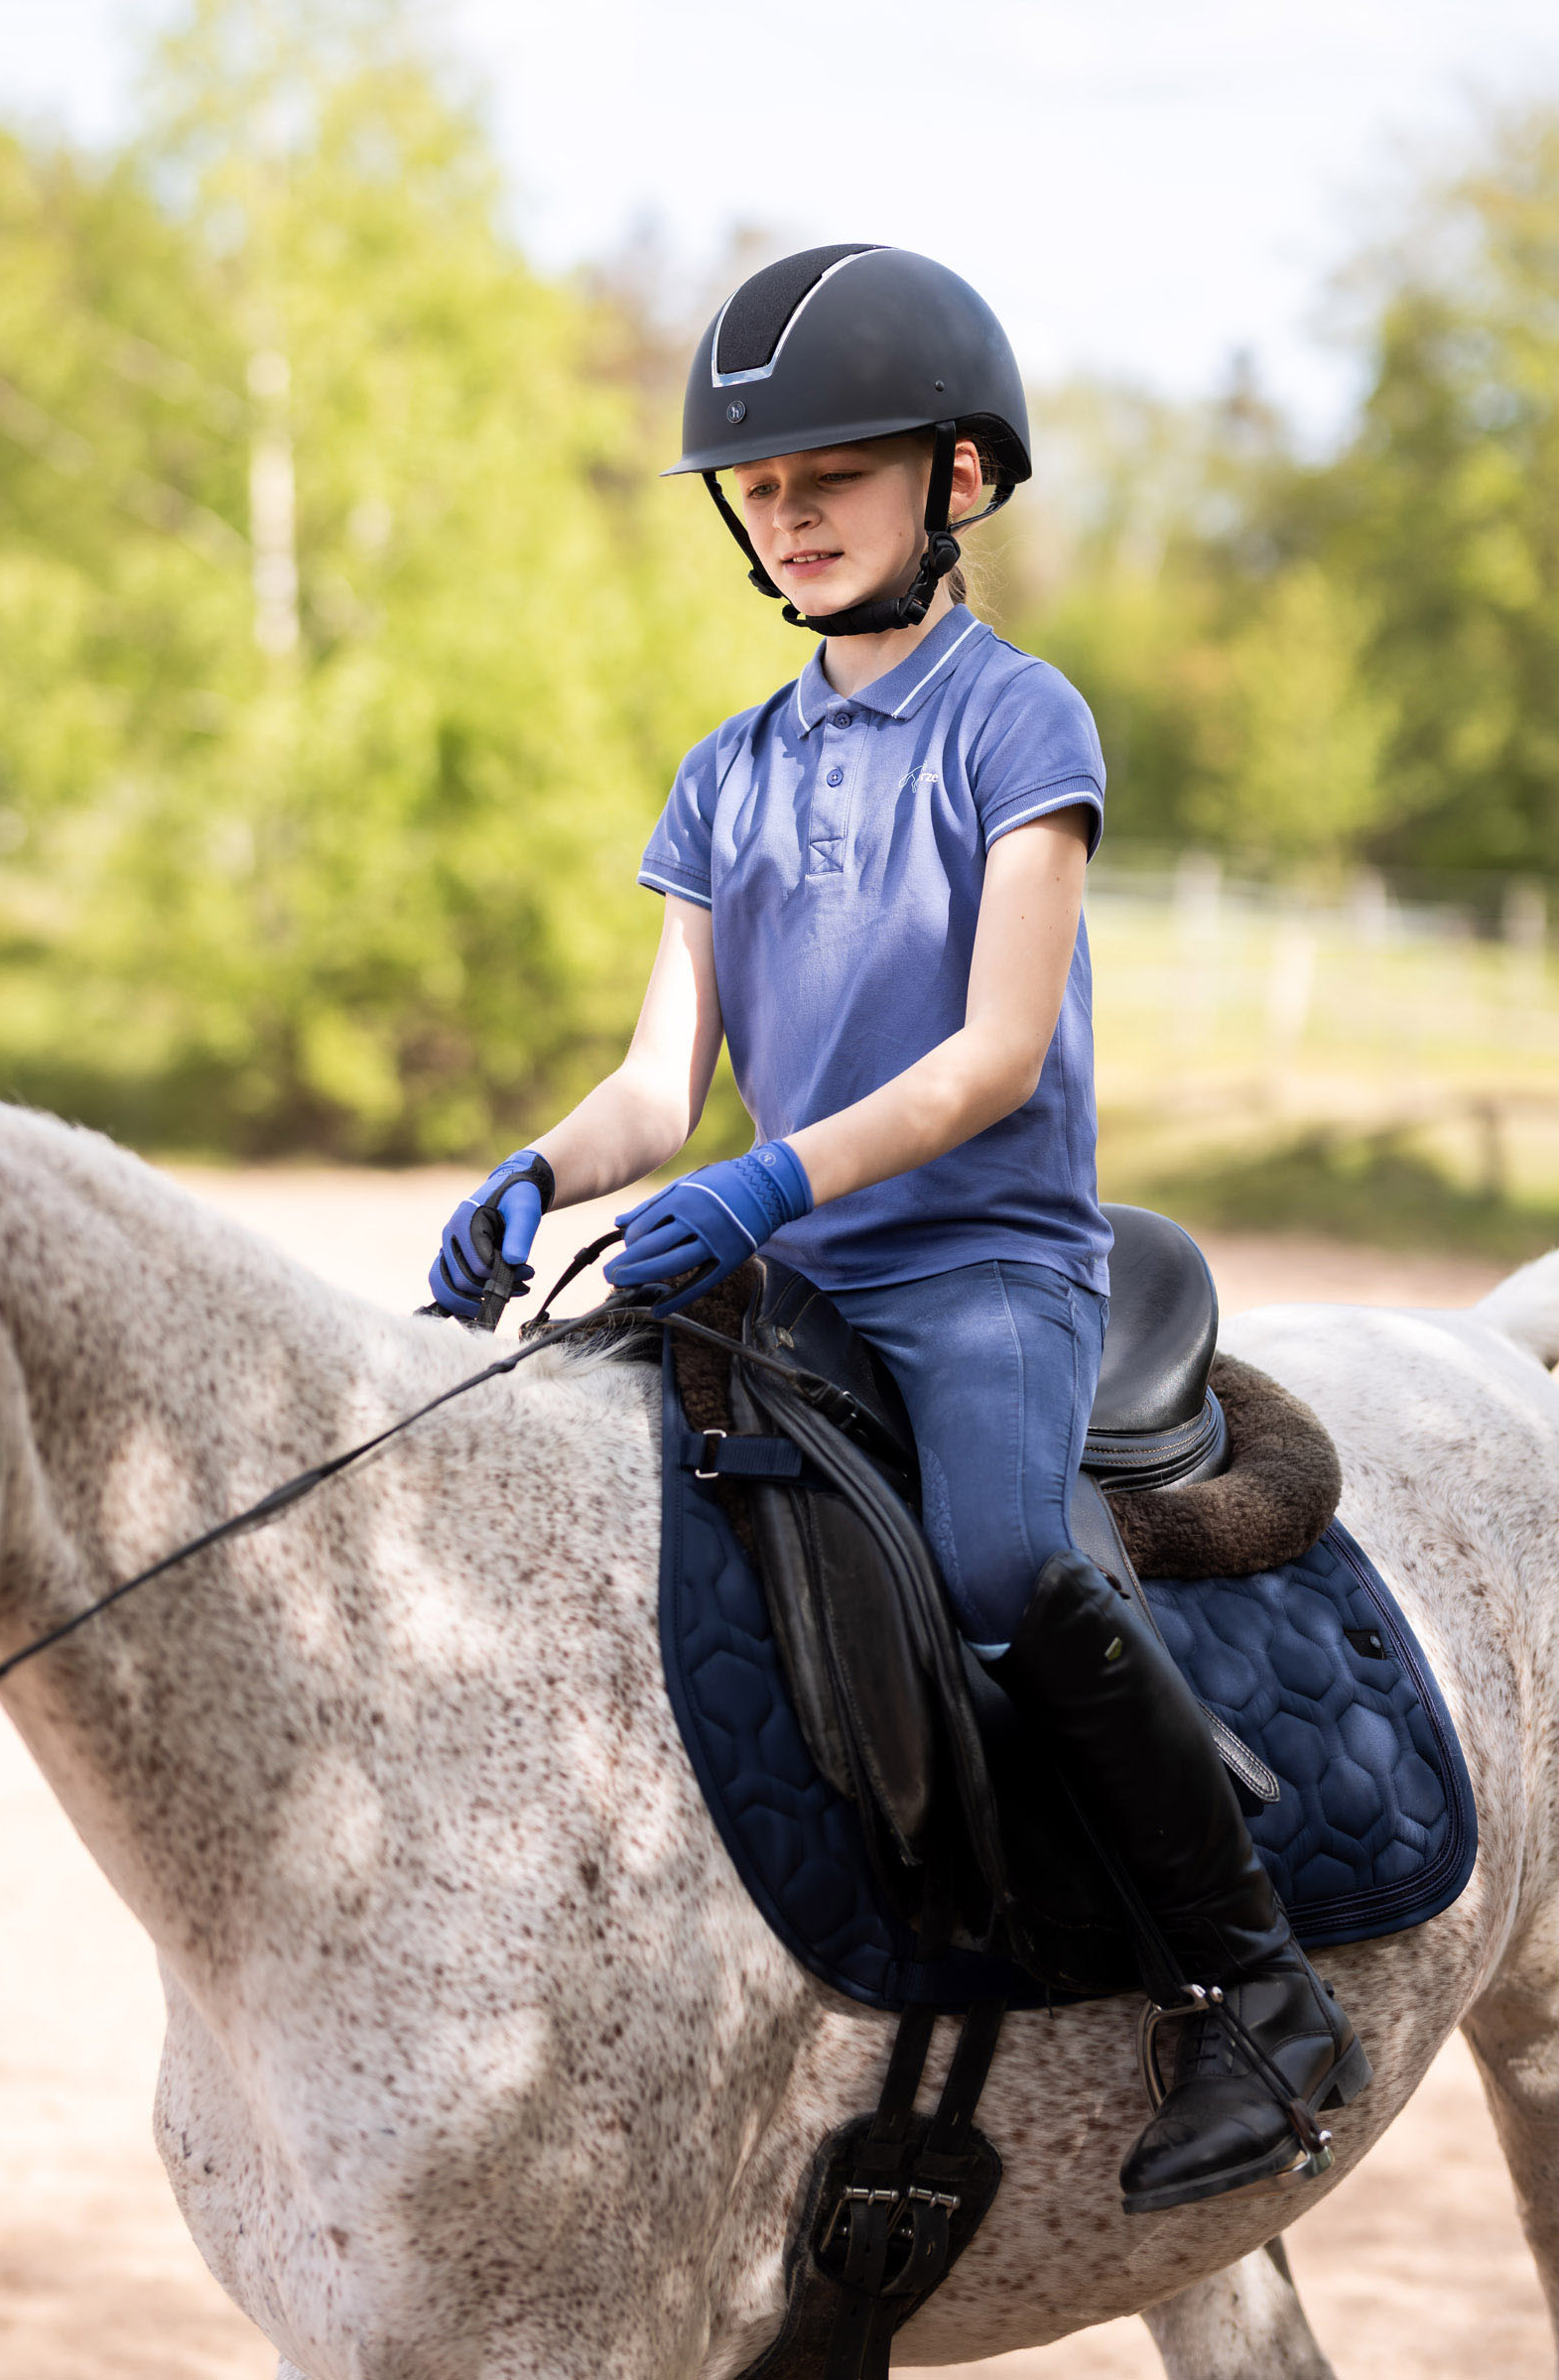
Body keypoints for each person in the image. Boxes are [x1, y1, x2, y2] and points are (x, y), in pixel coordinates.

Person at [426, 244, 1368, 2212]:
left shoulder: (1018, 722)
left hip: (979, 1268)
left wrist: (766, 1180)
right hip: (785, 1274)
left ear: (954, 477)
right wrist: (540, 1171)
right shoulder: (725, 772)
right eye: (760, 489)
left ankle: (1256, 1989)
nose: (789, 516)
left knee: (1002, 1560)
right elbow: (658, 1086)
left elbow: (995, 1055)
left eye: (830, 477)